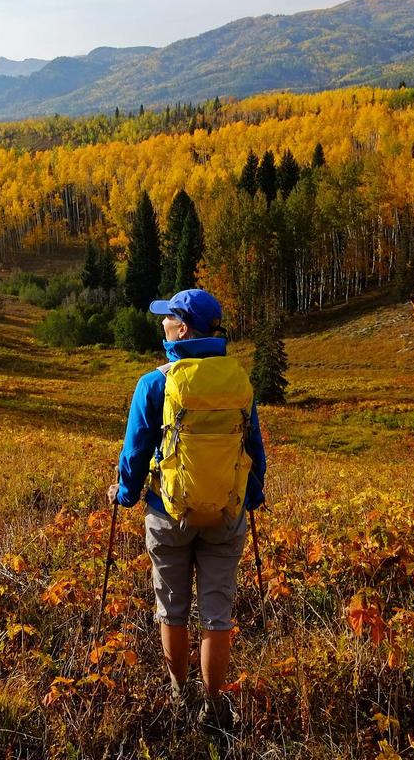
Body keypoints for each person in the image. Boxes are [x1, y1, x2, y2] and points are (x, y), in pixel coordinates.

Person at [105, 289, 266, 731]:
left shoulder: (155, 382)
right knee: (218, 613)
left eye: (167, 319)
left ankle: (180, 695)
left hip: (167, 514)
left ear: (183, 329)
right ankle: (213, 706)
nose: (161, 324)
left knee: (171, 609)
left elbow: (136, 453)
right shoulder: (237, 379)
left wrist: (124, 494)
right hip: (226, 516)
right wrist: (251, 497)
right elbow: (251, 446)